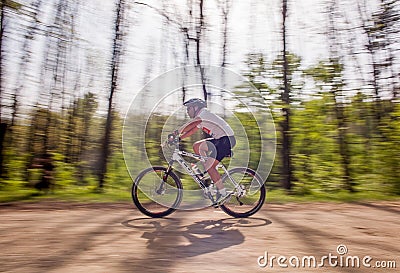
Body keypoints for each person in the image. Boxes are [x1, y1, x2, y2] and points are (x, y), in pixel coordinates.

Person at [178, 98, 236, 205]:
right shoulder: (201, 117)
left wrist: (176, 132)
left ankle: (224, 194)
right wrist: (179, 138)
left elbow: (191, 125)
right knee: (197, 146)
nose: (187, 111)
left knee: (210, 167)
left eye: (188, 108)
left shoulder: (204, 114)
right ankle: (208, 172)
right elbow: (193, 129)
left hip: (226, 139)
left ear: (195, 108)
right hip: (219, 139)